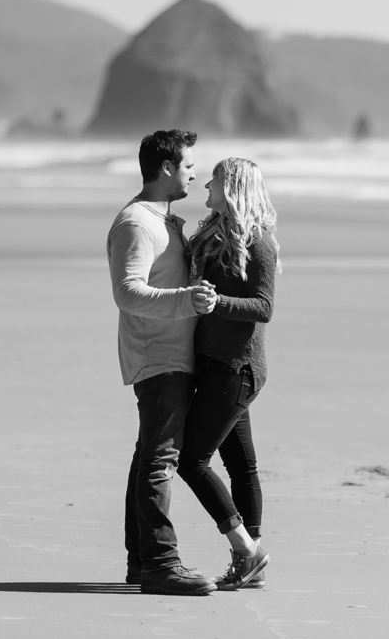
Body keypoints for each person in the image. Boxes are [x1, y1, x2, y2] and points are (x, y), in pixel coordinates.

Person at [109, 129, 220, 596]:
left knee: (148, 458)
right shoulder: (138, 223)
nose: (195, 172)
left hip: (171, 355)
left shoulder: (166, 220)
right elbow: (127, 292)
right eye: (190, 165)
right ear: (168, 167)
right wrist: (188, 301)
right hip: (158, 357)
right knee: (160, 461)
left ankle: (141, 561)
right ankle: (161, 563)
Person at [175, 157, 278, 590]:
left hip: (238, 369)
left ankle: (245, 548)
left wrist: (219, 304)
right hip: (215, 364)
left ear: (231, 186)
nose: (206, 187)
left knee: (192, 461)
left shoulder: (259, 244)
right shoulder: (214, 232)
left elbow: (264, 307)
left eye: (213, 180)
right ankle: (250, 561)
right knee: (241, 465)